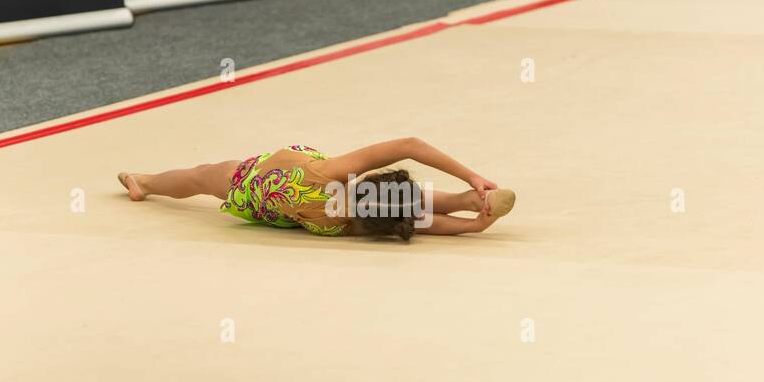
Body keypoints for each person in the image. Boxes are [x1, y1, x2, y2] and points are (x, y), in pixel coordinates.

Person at [117, 137, 515, 240]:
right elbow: (418, 221)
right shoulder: (349, 225)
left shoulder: (330, 175)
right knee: (395, 209)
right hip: (284, 212)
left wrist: (470, 175)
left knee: (201, 176)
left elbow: (409, 145)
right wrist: (470, 226)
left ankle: (145, 182)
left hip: (255, 186)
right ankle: (468, 203)